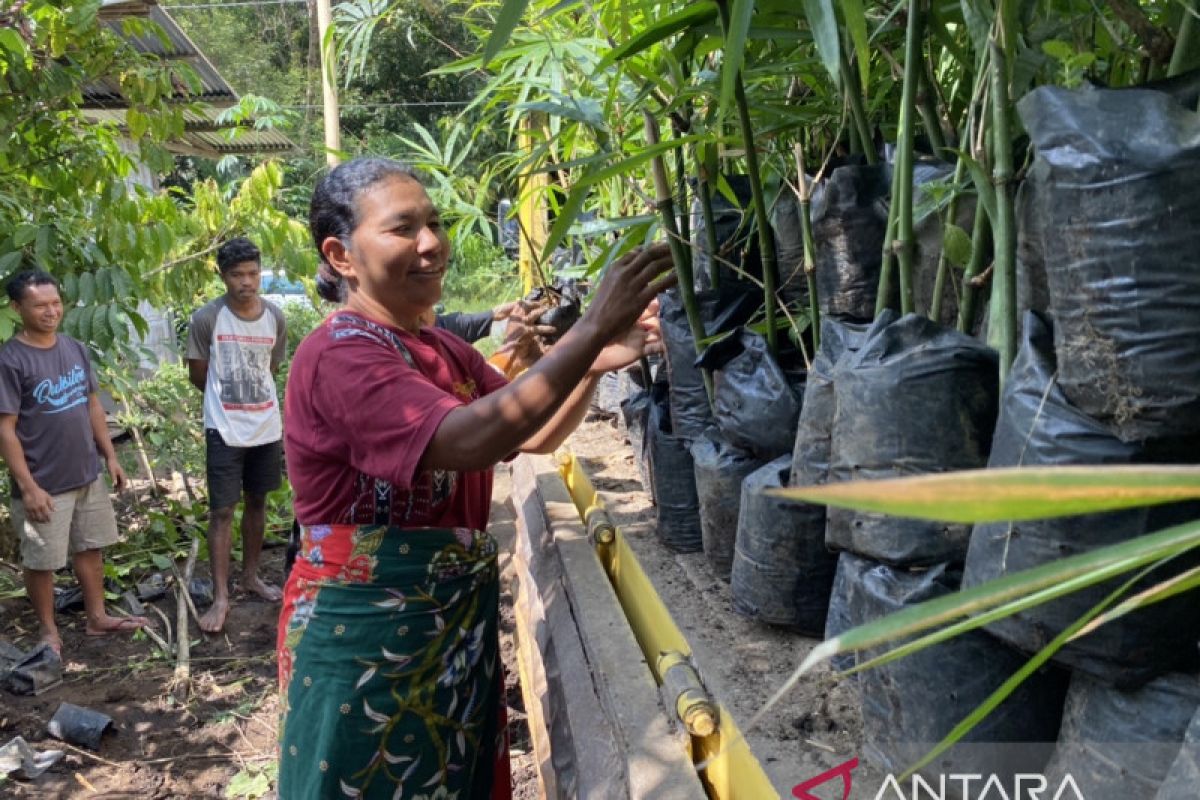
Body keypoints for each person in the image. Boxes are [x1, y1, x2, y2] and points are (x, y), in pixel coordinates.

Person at [278, 157, 674, 799]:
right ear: (341, 254)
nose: (432, 243)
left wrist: (597, 361)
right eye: (404, 228)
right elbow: (469, 439)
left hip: (441, 622)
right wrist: (594, 324)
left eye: (434, 223)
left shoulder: (439, 346)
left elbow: (528, 432)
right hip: (364, 635)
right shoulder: (339, 354)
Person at [0, 270, 147, 655]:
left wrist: (110, 456)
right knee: (42, 561)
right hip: (44, 483)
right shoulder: (11, 360)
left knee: (91, 547)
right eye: (40, 305)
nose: (51, 312)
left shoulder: (73, 347)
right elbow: (6, 429)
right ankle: (48, 631)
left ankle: (97, 617)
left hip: (86, 473)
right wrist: (28, 487)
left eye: (55, 303)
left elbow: (92, 405)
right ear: (17, 308)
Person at [186, 237, 286, 633]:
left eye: (253, 273)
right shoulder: (207, 319)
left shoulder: (275, 317)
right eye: (237, 275)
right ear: (223, 276)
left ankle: (251, 577)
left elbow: (271, 369)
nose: (247, 281)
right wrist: (226, 402)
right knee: (223, 510)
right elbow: (198, 374)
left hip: (265, 426)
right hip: (224, 428)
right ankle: (221, 595)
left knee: (258, 501)